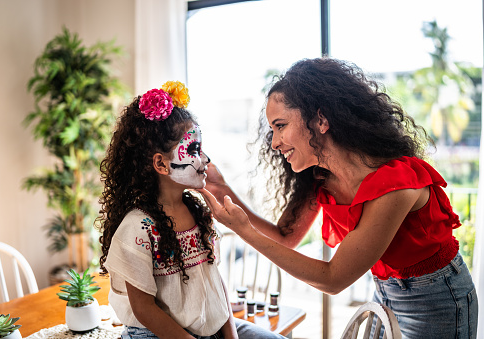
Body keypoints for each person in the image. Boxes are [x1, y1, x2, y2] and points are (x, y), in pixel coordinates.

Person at [199, 58, 478, 339]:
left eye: (280, 126)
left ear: (320, 120)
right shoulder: (320, 178)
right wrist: (224, 190)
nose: (274, 142)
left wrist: (242, 229)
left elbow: (333, 279)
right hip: (385, 293)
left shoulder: (397, 183)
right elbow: (285, 237)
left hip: (437, 300)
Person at [96, 81, 284, 339]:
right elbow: (143, 309)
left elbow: (215, 283)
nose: (206, 159)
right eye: (194, 150)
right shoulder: (137, 228)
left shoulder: (200, 212)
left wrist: (231, 336)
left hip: (213, 327)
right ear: (161, 164)